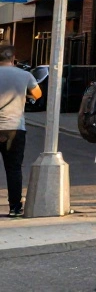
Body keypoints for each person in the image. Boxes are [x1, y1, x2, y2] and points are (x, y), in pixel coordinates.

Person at [0, 44, 39, 218]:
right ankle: (15, 207)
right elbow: (37, 94)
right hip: (14, 128)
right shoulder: (25, 75)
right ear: (13, 57)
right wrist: (25, 96)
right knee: (13, 169)